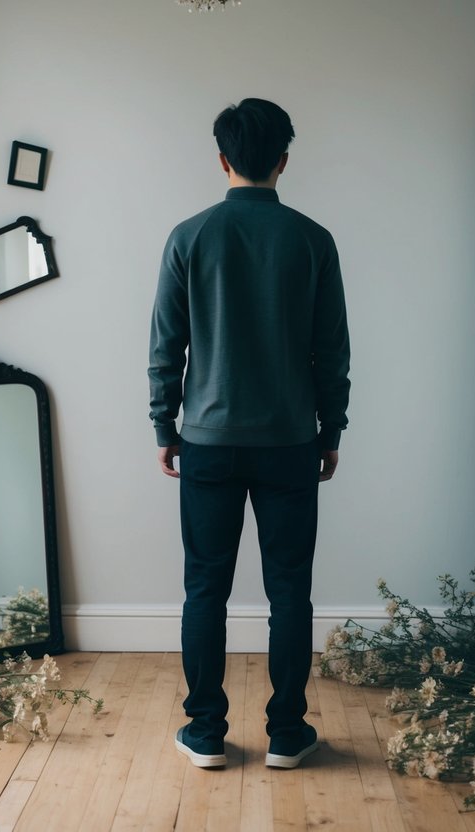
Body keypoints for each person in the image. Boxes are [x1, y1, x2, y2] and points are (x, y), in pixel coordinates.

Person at [148, 98, 351, 770]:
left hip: (206, 439)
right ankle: (287, 734)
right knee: (289, 588)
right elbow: (332, 350)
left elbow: (165, 345)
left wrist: (163, 423)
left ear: (222, 159)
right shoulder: (312, 239)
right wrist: (331, 431)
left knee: (204, 587)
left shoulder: (188, 236)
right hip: (291, 441)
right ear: (283, 160)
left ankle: (205, 733)